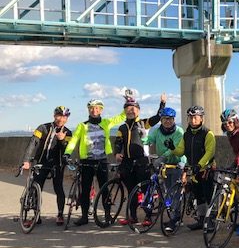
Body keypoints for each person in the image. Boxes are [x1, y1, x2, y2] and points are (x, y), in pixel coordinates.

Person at [64, 96, 127, 226]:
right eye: (91, 108)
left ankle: (108, 214)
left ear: (101, 110)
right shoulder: (82, 126)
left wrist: (127, 102)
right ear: (88, 110)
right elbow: (73, 141)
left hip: (102, 161)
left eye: (96, 108)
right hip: (86, 162)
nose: (94, 110)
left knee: (105, 190)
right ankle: (84, 217)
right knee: (85, 190)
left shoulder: (106, 123)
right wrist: (67, 153)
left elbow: (122, 117)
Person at [114, 93, 166, 225]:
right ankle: (133, 217)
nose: (131, 111)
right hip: (127, 162)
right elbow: (118, 142)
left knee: (145, 190)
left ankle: (148, 216)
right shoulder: (122, 128)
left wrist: (162, 104)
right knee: (131, 191)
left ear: (138, 110)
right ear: (124, 111)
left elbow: (158, 117)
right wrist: (117, 153)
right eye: (128, 109)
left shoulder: (144, 123)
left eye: (134, 108)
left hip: (142, 161)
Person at [164, 105, 216, 231]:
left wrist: (200, 165)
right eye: (191, 118)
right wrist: (172, 148)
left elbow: (209, 152)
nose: (193, 120)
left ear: (201, 119)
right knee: (199, 196)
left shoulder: (207, 133)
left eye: (196, 118)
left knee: (209, 196)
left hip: (206, 170)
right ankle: (202, 220)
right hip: (194, 170)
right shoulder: (187, 134)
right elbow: (181, 151)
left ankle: (212, 222)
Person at [21, 106, 73, 226]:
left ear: (67, 119)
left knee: (58, 188)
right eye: (59, 116)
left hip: (57, 164)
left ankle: (60, 214)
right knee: (36, 188)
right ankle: (36, 215)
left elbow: (66, 150)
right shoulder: (43, 128)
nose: (61, 119)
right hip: (41, 162)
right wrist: (26, 160)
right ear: (54, 116)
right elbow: (32, 143)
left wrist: (61, 140)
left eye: (64, 117)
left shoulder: (68, 132)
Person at [146, 107, 186, 190]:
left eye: (170, 119)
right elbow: (149, 140)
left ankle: (175, 202)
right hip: (165, 165)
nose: (167, 121)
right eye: (165, 119)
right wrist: (142, 137)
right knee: (167, 190)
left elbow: (173, 149)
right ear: (161, 120)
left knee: (174, 191)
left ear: (174, 120)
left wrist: (162, 158)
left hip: (177, 163)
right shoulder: (157, 131)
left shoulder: (179, 131)